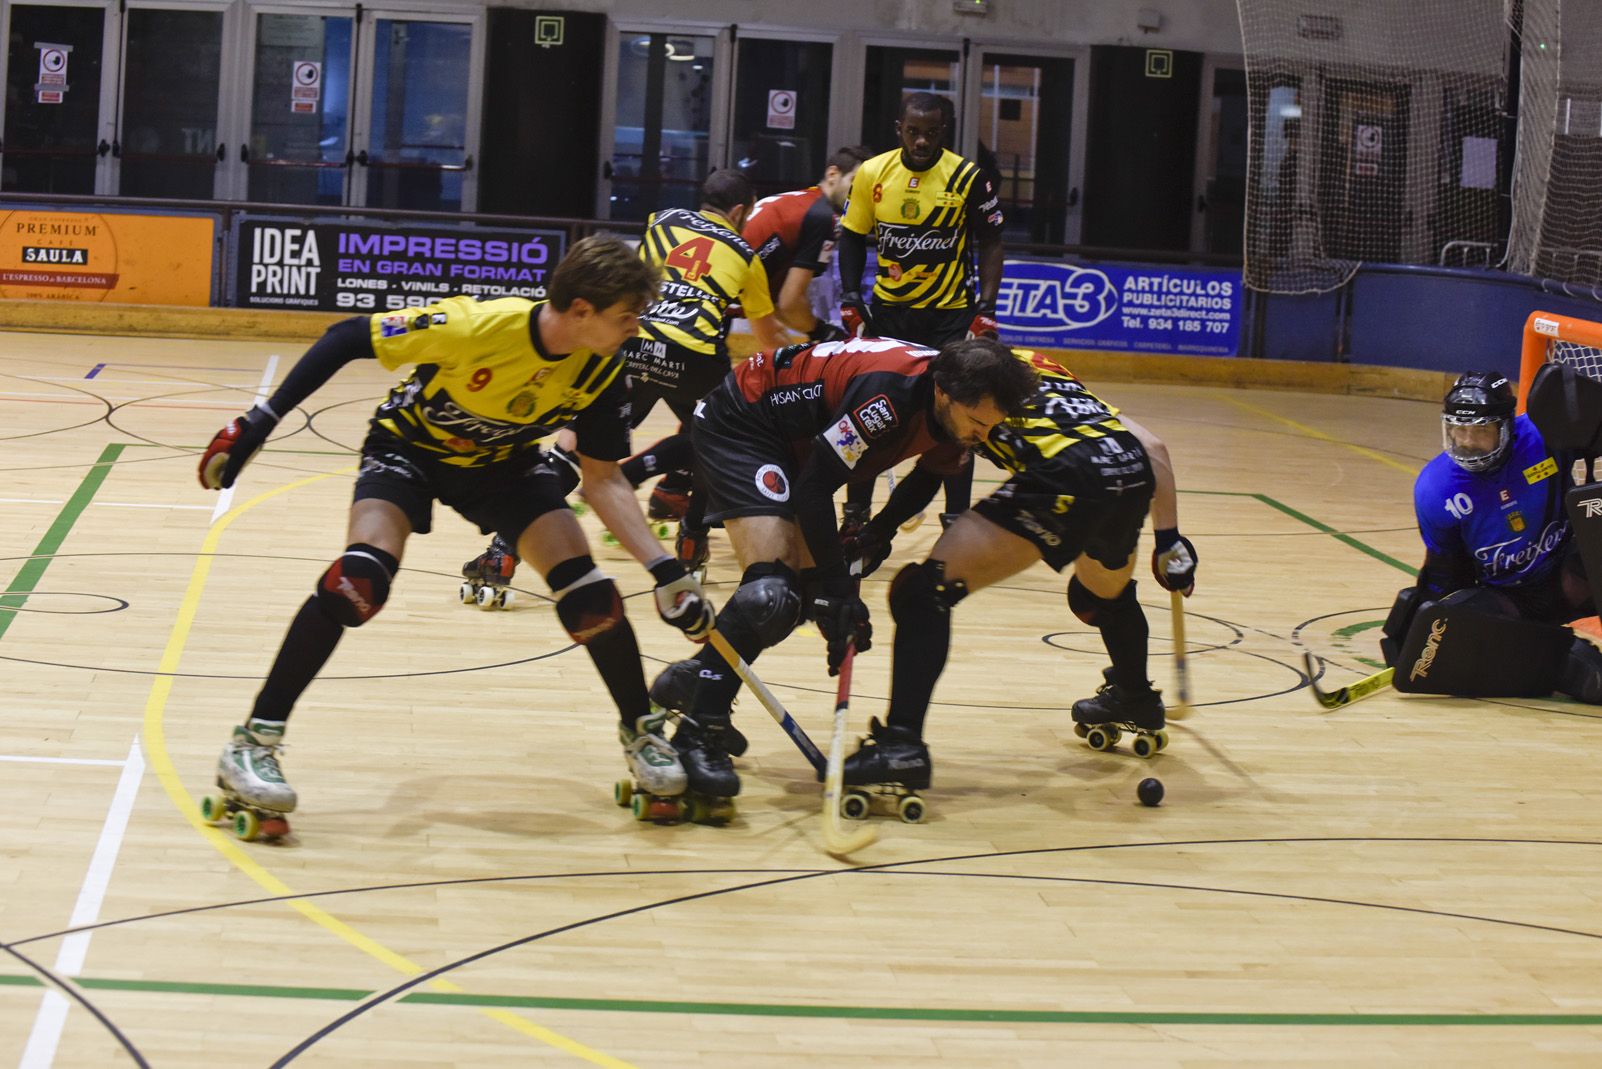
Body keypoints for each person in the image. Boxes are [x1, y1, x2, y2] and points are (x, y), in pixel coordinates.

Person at [197, 235, 717, 831]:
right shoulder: (476, 326)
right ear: (581, 311)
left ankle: (643, 733)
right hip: (408, 452)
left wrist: (664, 570)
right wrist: (260, 422)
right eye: (626, 318)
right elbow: (346, 337)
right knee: (357, 582)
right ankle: (253, 743)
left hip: (502, 467)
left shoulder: (603, 367)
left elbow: (603, 480)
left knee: (590, 596)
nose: (636, 329)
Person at [647, 335, 1041, 803]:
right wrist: (840, 590)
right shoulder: (886, 401)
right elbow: (815, 490)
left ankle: (696, 679)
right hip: (745, 420)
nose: (981, 436)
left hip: (793, 440)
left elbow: (929, 476)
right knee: (770, 593)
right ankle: (696, 735)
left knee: (801, 596)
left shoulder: (955, 409)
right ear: (943, 393)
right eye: (976, 423)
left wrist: (879, 533)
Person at [834, 349, 1197, 794]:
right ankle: (1137, 698)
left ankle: (902, 745)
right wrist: (1170, 541)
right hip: (1126, 470)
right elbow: (1153, 448)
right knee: (1099, 599)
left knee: (922, 594)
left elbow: (933, 469)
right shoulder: (1043, 367)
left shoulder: (965, 388)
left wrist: (878, 530)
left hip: (1068, 476)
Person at [465, 169, 788, 582]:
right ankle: (692, 537)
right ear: (740, 211)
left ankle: (502, 552)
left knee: (571, 447)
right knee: (715, 439)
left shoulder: (661, 221)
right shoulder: (744, 252)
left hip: (634, 340)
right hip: (693, 356)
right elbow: (765, 336)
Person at [836, 92, 1007, 530]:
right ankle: (856, 516)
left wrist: (986, 307)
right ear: (899, 129)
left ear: (943, 132)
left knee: (957, 416)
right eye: (913, 132)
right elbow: (853, 236)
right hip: (889, 314)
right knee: (869, 412)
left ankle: (956, 518)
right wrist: (851, 296)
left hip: (949, 316)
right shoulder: (873, 173)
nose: (922, 142)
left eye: (931, 133)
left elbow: (991, 241)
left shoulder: (968, 177)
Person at [1381, 370, 1600, 702]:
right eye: (1458, 431)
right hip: (1509, 601)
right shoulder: (1435, 490)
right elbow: (1445, 567)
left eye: (1480, 431)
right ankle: (1561, 657)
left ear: (1506, 425)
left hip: (1571, 576)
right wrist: (1427, 623)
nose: (1467, 443)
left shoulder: (1546, 435)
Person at [742, 145, 872, 340]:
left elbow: (778, 304)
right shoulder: (824, 217)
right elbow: (789, 302)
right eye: (855, 182)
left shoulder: (807, 201)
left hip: (717, 287)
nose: (861, 193)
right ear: (832, 174)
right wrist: (825, 332)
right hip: (721, 295)